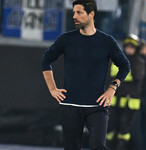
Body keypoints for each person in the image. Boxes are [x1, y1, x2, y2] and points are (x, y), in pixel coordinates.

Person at [40, 0, 130, 150]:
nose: (74, 16)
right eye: (74, 12)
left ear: (91, 14)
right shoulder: (66, 39)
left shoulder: (106, 42)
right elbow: (45, 61)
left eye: (79, 12)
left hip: (97, 106)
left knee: (98, 146)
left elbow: (125, 65)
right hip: (70, 106)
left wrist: (112, 88)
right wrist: (52, 88)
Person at [106, 34, 145, 150]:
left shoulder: (138, 62)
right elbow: (110, 78)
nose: (129, 49)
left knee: (124, 129)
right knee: (109, 127)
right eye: (128, 47)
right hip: (114, 100)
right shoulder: (117, 60)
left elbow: (137, 79)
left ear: (136, 49)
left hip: (129, 102)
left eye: (132, 47)